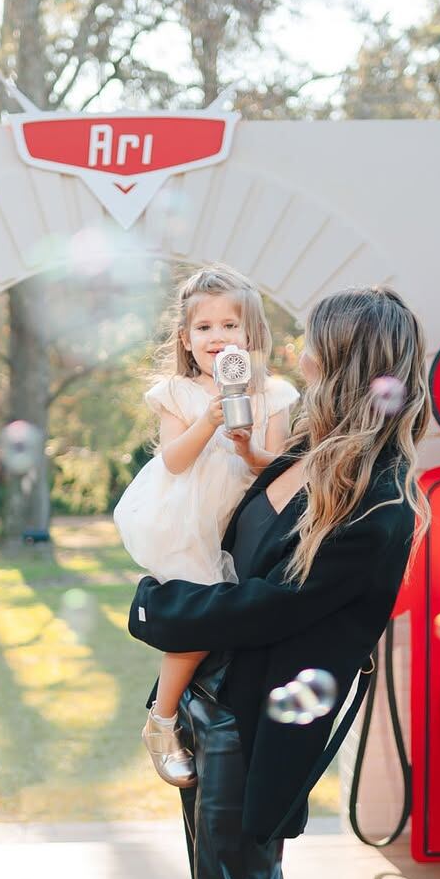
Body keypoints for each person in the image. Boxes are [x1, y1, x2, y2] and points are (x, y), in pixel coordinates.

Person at [127, 287, 431, 879]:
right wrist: (169, 697)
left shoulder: (380, 504)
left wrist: (153, 611)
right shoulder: (301, 456)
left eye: (311, 346)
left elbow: (266, 610)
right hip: (216, 711)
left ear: (343, 363)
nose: (292, 355)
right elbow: (228, 559)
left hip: (263, 733)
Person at [113, 264, 298, 787]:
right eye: (204, 328)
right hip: (187, 519)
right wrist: (209, 421)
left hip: (246, 524)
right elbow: (174, 460)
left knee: (236, 631)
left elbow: (277, 468)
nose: (217, 337)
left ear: (252, 334)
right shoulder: (177, 393)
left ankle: (203, 718)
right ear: (185, 338)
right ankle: (161, 720)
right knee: (199, 623)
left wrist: (248, 445)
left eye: (229, 325)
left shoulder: (273, 394)